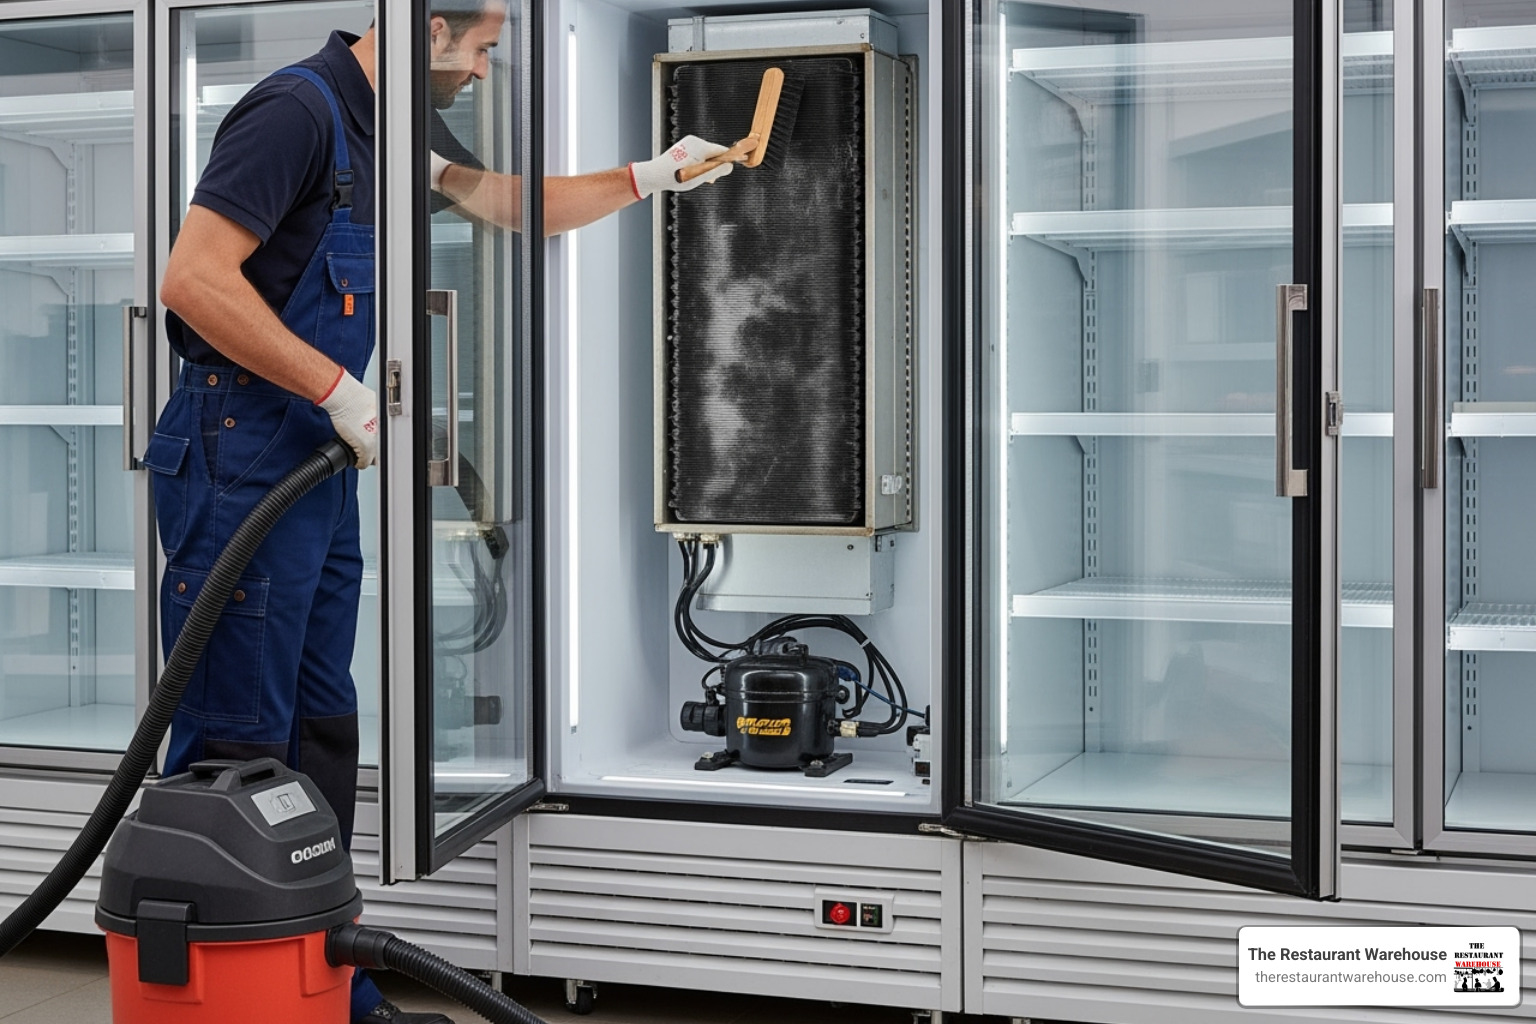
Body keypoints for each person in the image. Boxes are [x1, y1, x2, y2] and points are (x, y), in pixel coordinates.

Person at [150, 5, 732, 1022]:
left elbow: (508, 202)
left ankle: (321, 980)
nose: (489, 66)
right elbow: (194, 280)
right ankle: (232, 993)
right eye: (484, 44)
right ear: (424, 32)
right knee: (236, 741)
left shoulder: (394, 125)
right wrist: (339, 386)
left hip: (317, 466)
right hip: (242, 453)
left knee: (320, 728)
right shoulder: (297, 113)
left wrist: (650, 177)